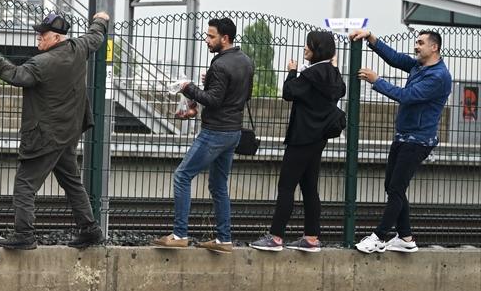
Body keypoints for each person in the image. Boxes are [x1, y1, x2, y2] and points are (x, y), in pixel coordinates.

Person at [0, 11, 111, 250]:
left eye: (42, 34)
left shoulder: (42, 63)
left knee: (25, 183)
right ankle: (90, 230)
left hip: (46, 135)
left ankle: (24, 234)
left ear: (56, 38)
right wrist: (101, 20)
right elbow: (96, 36)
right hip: (68, 132)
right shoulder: (79, 48)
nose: (38, 38)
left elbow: (16, 75)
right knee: (72, 182)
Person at [152, 17, 254, 254]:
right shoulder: (246, 61)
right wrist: (209, 86)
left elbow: (214, 101)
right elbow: (243, 95)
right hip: (233, 132)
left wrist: (188, 87)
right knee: (218, 185)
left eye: (211, 36)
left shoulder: (219, 65)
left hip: (215, 132)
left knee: (182, 176)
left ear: (224, 38)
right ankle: (224, 239)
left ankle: (179, 234)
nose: (207, 40)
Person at [351, 28, 452, 254]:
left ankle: (379, 237)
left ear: (434, 47)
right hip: (403, 136)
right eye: (417, 42)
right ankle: (406, 238)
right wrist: (371, 38)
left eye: (420, 43)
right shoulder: (419, 66)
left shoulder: (438, 77)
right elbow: (396, 58)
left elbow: (406, 96)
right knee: (392, 187)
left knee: (396, 187)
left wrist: (377, 81)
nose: (416, 46)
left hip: (418, 141)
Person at [249, 30, 346, 253]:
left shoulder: (310, 75)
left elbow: (288, 92)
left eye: (309, 46)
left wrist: (292, 72)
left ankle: (275, 237)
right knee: (309, 187)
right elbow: (341, 90)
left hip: (302, 137)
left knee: (286, 186)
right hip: (319, 138)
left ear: (317, 49)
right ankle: (311, 238)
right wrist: (333, 66)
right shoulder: (332, 73)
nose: (305, 49)